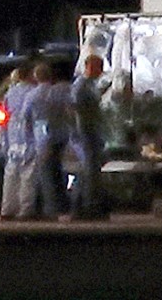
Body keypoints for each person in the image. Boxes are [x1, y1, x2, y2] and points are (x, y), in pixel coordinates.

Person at [23, 61, 74, 220]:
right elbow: (68, 112)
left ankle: (49, 209)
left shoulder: (32, 95)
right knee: (57, 172)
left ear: (36, 76)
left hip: (43, 137)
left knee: (46, 173)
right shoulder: (57, 92)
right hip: (61, 135)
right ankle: (61, 206)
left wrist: (28, 138)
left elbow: (26, 117)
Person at [70, 54, 108, 220]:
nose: (101, 71)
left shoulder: (89, 85)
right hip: (86, 133)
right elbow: (78, 111)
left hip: (91, 133)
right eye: (99, 67)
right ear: (90, 67)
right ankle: (87, 207)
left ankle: (87, 205)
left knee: (90, 172)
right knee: (89, 172)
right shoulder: (81, 86)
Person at [0, 64, 37, 220]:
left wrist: (5, 140)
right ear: (30, 76)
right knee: (27, 176)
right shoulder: (32, 93)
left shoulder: (10, 93)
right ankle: (25, 210)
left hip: (13, 138)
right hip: (29, 138)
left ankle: (7, 209)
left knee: (10, 175)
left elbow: (5, 117)